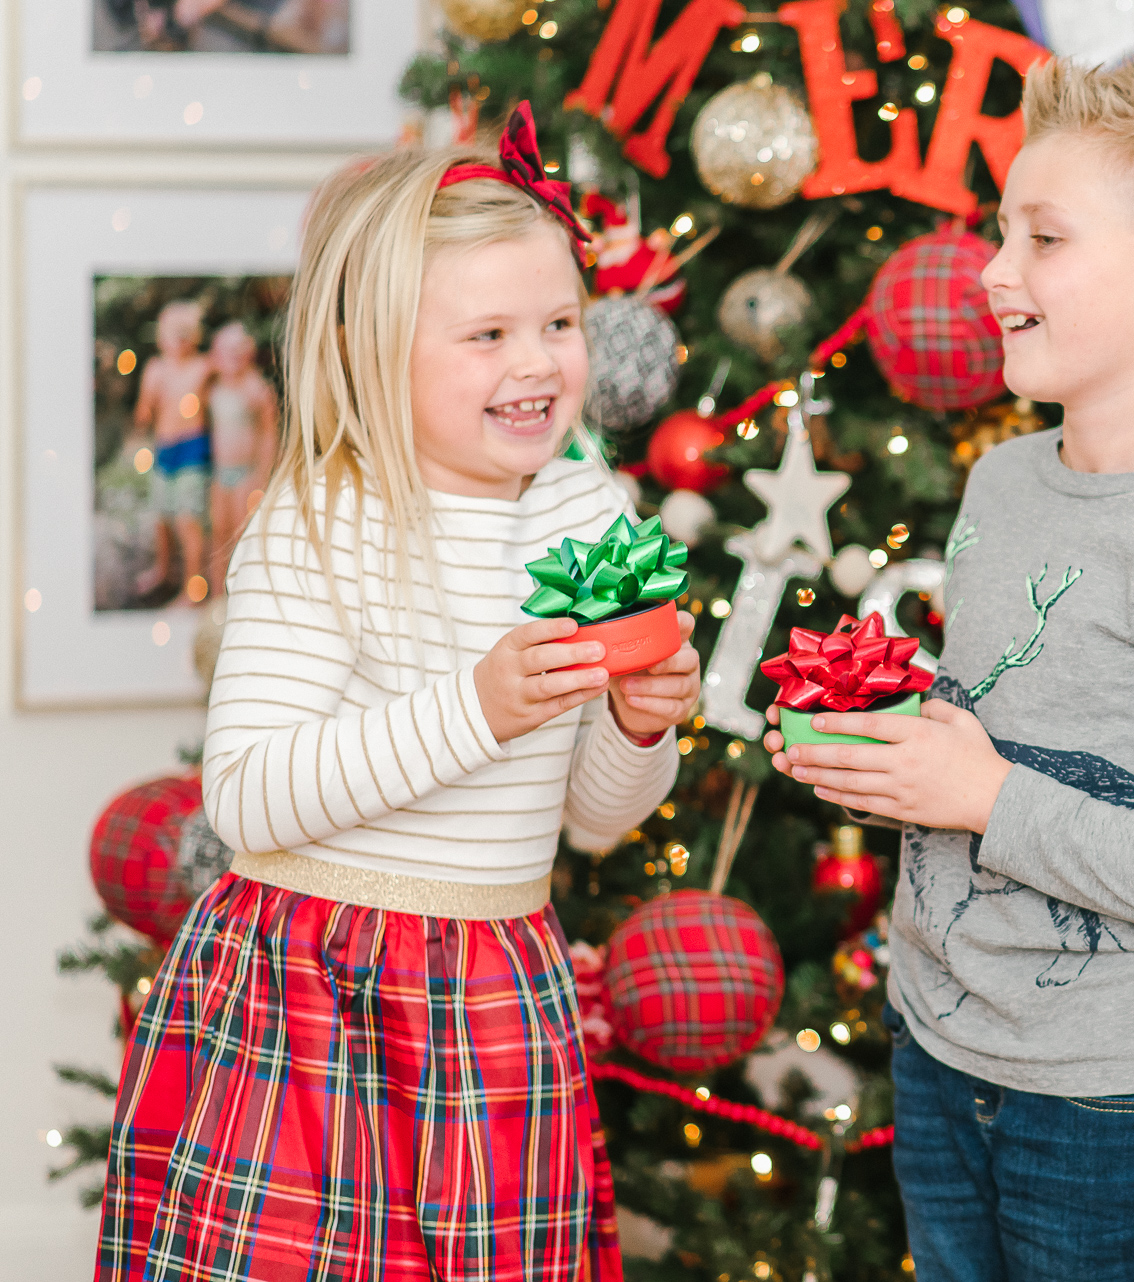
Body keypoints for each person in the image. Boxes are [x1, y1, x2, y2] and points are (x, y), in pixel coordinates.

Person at [96, 106, 699, 1282]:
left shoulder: (590, 514)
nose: (539, 361)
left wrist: (637, 724)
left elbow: (594, 816)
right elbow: (250, 797)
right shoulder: (323, 522)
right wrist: (476, 706)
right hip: (313, 989)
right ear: (378, 350)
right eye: (489, 333)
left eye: (560, 323)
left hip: (499, 984)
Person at [764, 55, 1134, 1278]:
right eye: (1000, 232)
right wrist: (874, 746)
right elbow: (990, 728)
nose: (992, 271)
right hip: (941, 1040)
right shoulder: (1003, 480)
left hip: (1117, 1101)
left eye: (1043, 239)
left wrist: (990, 801)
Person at [130, 298, 212, 603]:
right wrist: (147, 403)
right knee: (161, 515)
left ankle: (193, 587)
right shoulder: (155, 369)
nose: (179, 339)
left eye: (185, 332)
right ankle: (163, 571)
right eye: (172, 333)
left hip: (192, 448)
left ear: (194, 336)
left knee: (188, 519)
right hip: (164, 448)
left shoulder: (203, 367)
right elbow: (144, 413)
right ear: (161, 337)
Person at [204, 321, 277, 597]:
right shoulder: (213, 388)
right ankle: (216, 595)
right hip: (221, 472)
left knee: (241, 534)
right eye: (226, 350)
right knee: (218, 532)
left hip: (247, 473)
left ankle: (243, 594)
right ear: (216, 356)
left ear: (249, 353)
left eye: (239, 350)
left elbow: (270, 434)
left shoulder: (256, 388)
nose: (233, 356)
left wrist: (262, 474)